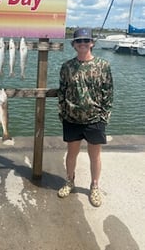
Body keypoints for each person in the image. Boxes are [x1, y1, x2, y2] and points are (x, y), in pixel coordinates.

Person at [57, 28, 113, 207]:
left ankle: (95, 186)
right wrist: (63, 112)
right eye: (79, 41)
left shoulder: (103, 65)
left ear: (92, 43)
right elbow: (62, 91)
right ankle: (69, 181)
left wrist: (104, 116)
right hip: (72, 119)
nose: (82, 44)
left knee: (94, 156)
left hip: (95, 119)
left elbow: (108, 92)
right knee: (71, 153)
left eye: (86, 40)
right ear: (73, 45)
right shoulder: (67, 66)